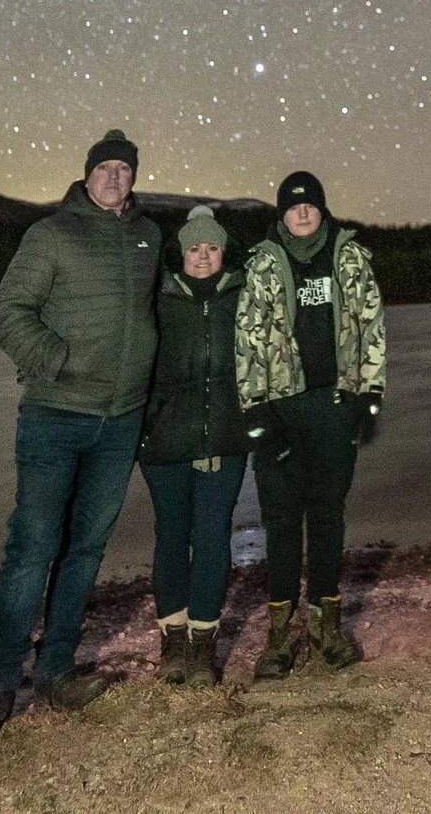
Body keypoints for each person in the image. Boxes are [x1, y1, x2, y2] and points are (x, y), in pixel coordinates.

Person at [0, 128, 164, 747]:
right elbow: (6, 312)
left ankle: (56, 671)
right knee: (32, 548)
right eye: (107, 169)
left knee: (87, 549)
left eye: (125, 170)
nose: (115, 178)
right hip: (55, 417)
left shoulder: (148, 236)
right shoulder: (50, 236)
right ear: (87, 174)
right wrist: (57, 359)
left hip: (121, 420)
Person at [233, 169, 386, 679]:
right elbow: (247, 341)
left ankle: (326, 629)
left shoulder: (349, 257)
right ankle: (279, 638)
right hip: (280, 408)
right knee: (280, 521)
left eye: (310, 205)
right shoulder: (262, 264)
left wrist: (369, 396)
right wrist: (254, 409)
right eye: (293, 206)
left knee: (327, 516)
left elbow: (371, 327)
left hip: (333, 405)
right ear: (282, 213)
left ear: (321, 209)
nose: (302, 213)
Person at [136, 204, 251, 686]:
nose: (203, 257)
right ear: (179, 253)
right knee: (171, 536)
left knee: (211, 538)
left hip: (225, 436)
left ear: (224, 251)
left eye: (212, 247)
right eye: (194, 248)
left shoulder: (243, 295)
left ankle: (203, 643)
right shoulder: (157, 297)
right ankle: (173, 642)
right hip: (164, 439)